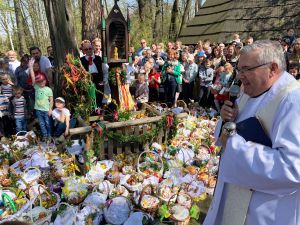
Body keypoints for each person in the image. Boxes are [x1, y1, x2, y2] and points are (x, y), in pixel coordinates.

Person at [204, 40, 300, 225]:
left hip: (266, 213)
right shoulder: (250, 91)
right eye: (238, 69)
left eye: (246, 69)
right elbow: (231, 130)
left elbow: (293, 168)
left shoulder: (293, 102)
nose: (239, 76)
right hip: (233, 197)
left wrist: (233, 144)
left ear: (272, 68)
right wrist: (226, 120)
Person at [29, 59, 53, 141]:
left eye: (42, 81)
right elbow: (33, 77)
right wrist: (30, 67)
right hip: (38, 110)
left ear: (45, 81)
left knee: (48, 123)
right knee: (42, 124)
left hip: (46, 110)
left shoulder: (48, 89)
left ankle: (50, 135)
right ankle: (45, 135)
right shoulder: (36, 87)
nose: (41, 83)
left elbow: (51, 100)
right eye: (39, 81)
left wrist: (50, 109)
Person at [80, 40, 104, 108]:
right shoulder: (81, 60)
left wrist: (102, 80)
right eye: (86, 49)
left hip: (98, 80)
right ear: (83, 51)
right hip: (88, 80)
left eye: (90, 48)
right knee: (90, 97)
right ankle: (92, 111)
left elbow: (102, 70)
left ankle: (99, 111)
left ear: (92, 48)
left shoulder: (98, 58)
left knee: (99, 96)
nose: (88, 50)